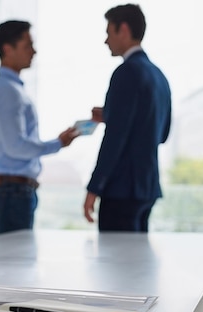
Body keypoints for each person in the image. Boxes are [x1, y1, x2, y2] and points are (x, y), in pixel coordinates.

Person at [0, 20, 79, 235]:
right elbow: (15, 147)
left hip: (13, 191)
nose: (34, 52)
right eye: (28, 45)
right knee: (12, 264)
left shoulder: (8, 89)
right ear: (8, 49)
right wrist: (58, 143)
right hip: (13, 192)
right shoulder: (8, 92)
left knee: (13, 262)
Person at [83, 4, 172, 232]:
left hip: (122, 188)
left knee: (116, 265)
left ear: (123, 29)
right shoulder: (159, 76)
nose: (106, 41)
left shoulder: (126, 72)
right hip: (147, 187)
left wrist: (94, 188)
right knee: (136, 265)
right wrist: (114, 114)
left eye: (108, 32)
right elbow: (161, 134)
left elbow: (115, 137)